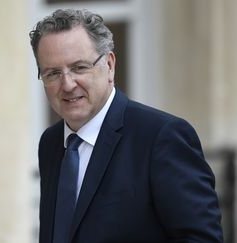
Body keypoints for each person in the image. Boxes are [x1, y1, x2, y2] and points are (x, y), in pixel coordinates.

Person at [30, 9, 223, 243]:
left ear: (109, 66)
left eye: (79, 67)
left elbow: (202, 239)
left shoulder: (161, 136)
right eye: (53, 73)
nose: (68, 84)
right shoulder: (50, 143)